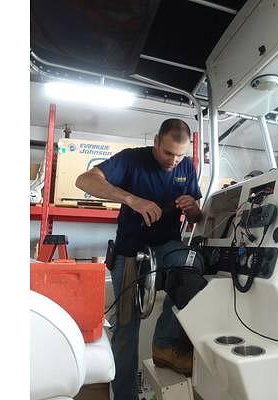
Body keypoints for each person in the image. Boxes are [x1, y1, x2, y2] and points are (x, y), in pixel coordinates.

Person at [75, 118, 203, 400]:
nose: (173, 161)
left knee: (193, 264)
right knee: (126, 329)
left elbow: (197, 217)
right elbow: (84, 180)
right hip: (130, 252)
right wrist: (132, 199)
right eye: (168, 152)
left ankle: (165, 343)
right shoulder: (131, 159)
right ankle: (125, 396)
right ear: (156, 141)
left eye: (180, 155)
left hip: (167, 247)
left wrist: (193, 208)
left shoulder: (185, 166)